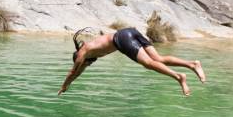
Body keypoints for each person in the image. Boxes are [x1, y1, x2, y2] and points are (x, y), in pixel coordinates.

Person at [58, 27, 206, 96]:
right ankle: (192, 64)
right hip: (130, 32)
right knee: (158, 59)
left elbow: (74, 71)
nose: (86, 65)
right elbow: (78, 73)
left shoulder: (82, 53)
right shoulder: (90, 51)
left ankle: (179, 77)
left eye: (84, 63)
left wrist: (64, 85)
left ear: (79, 58)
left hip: (122, 39)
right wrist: (69, 84)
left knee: (148, 63)